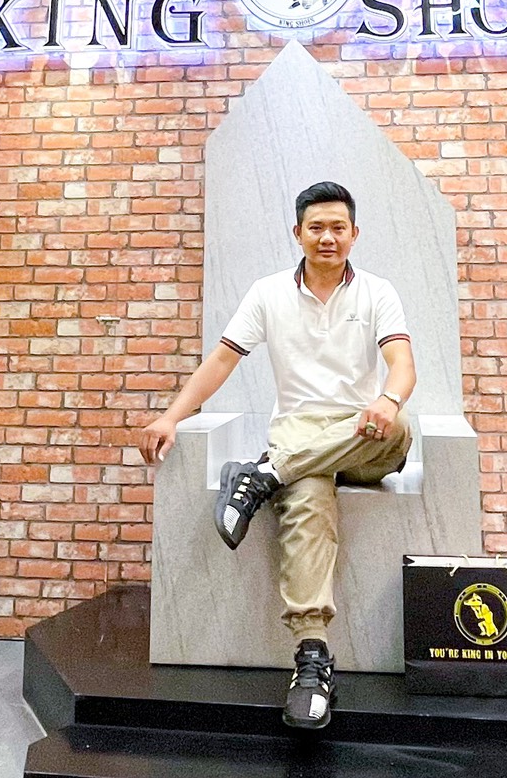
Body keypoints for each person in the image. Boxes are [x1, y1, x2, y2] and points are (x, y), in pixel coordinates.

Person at [139, 180, 417, 731]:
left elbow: (402, 365)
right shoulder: (268, 293)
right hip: (298, 433)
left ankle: (267, 474)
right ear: (298, 232)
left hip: (361, 433)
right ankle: (312, 659)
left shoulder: (377, 292)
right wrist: (171, 416)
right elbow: (222, 360)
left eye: (338, 227)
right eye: (316, 227)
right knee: (309, 500)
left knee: (400, 426)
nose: (327, 237)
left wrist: (387, 400)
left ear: (354, 234)